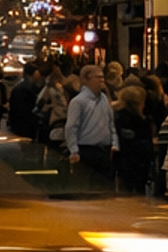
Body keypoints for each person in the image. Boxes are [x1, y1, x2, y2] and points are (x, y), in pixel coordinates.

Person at [64, 61, 118, 190]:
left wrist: (114, 143)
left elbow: (111, 122)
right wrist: (74, 150)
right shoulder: (78, 102)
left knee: (105, 188)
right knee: (84, 187)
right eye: (98, 77)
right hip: (85, 151)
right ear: (87, 79)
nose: (102, 80)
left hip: (104, 150)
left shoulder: (104, 99)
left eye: (102, 77)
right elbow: (72, 127)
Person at [113, 83, 155, 197]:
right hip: (138, 163)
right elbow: (147, 145)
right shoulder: (143, 121)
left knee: (125, 192)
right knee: (138, 192)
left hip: (123, 162)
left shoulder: (117, 117)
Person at [6, 63, 41, 148]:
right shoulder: (31, 88)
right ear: (34, 73)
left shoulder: (18, 87)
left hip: (16, 121)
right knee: (29, 145)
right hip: (27, 122)